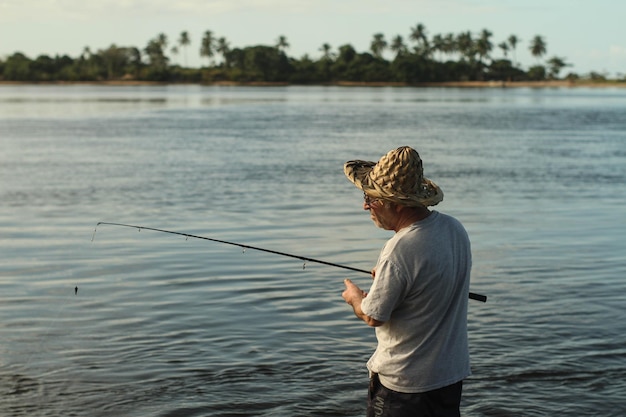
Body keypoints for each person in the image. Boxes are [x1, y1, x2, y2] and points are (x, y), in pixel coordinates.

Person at [341, 146, 472, 417]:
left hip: (404, 387)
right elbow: (428, 284)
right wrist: (392, 282)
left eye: (371, 198)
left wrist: (355, 298)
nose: (365, 205)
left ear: (396, 203)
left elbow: (374, 316)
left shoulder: (399, 248)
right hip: (449, 378)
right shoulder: (453, 228)